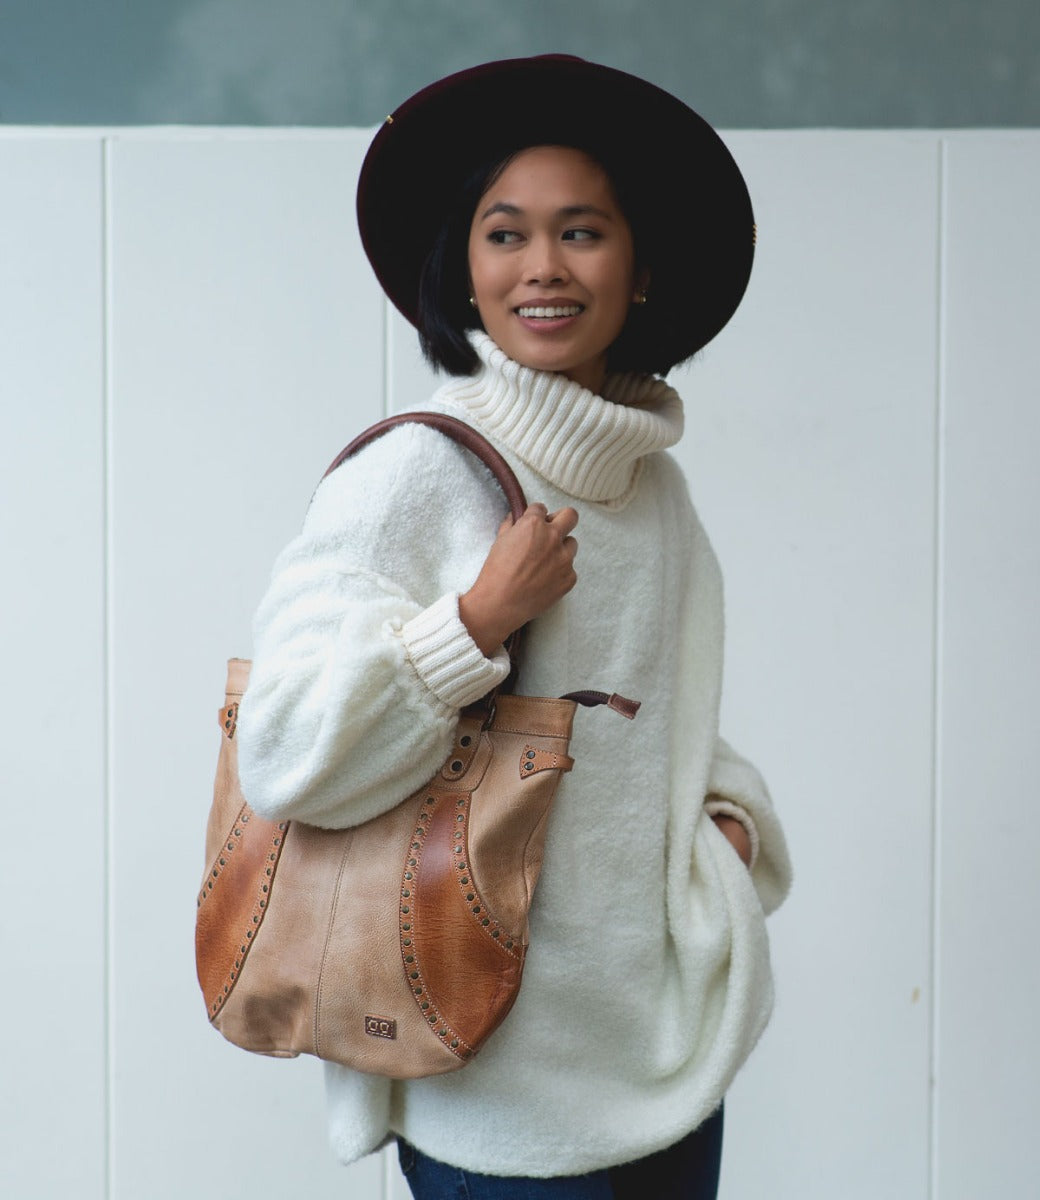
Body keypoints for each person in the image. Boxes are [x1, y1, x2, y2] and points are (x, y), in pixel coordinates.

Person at [237, 55, 792, 1200]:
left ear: (638, 270)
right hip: (488, 1076)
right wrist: (477, 620)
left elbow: (670, 727)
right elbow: (282, 750)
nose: (542, 267)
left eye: (581, 232)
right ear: (464, 269)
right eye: (504, 235)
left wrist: (727, 830)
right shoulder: (413, 471)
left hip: (665, 1055)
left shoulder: (652, 492)